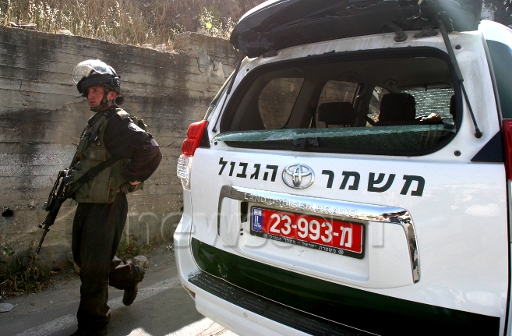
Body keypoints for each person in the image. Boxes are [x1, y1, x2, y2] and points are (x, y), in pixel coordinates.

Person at [69, 59, 162, 336]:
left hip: (107, 205)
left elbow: (151, 150)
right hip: (89, 203)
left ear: (111, 93)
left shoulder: (117, 122)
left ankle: (93, 326)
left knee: (93, 270)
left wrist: (134, 176)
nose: (90, 95)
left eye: (95, 90)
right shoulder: (97, 120)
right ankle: (129, 275)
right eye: (88, 92)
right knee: (85, 261)